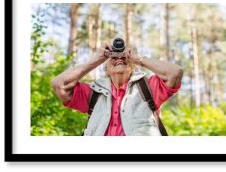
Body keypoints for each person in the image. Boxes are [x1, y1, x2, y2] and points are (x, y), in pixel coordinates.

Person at [51, 40, 183, 136]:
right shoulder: (93, 92)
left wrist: (138, 58)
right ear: (106, 68)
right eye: (114, 57)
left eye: (124, 57)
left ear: (133, 66)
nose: (119, 58)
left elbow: (175, 73)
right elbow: (59, 85)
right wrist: (94, 61)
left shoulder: (148, 87)